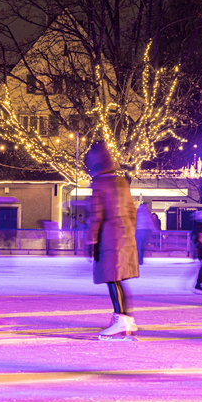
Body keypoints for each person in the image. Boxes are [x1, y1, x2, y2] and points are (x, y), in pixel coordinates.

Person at [84, 141, 139, 340]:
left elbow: (96, 215)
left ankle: (121, 319)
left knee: (112, 279)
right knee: (118, 280)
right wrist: (129, 232)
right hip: (124, 238)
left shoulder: (99, 183)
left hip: (108, 238)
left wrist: (91, 241)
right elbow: (132, 210)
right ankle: (126, 318)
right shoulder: (122, 181)